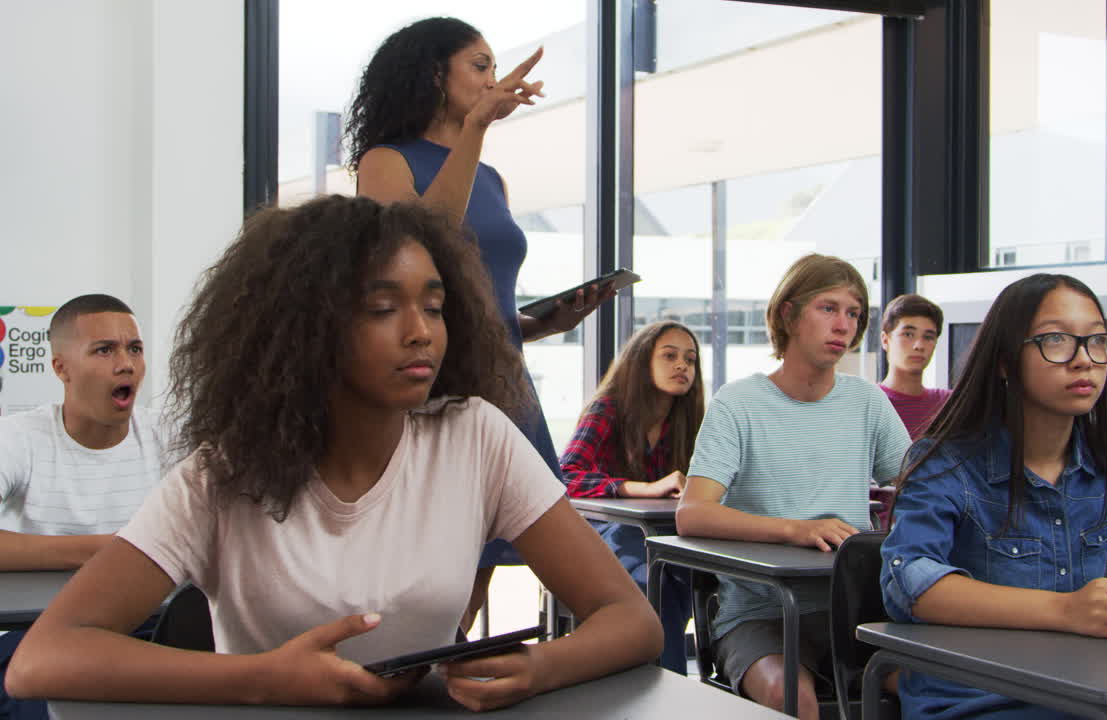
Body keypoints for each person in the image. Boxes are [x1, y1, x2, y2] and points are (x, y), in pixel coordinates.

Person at [6, 196, 661, 711]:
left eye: (434, 308)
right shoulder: (221, 477)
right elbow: (44, 659)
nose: (420, 333)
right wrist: (264, 679)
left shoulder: (475, 436)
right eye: (383, 308)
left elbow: (631, 620)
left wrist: (538, 668)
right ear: (305, 328)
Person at [880, 273, 1107, 720]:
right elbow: (910, 582)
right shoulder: (946, 463)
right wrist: (1064, 609)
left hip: (1087, 689)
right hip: (979, 698)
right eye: (1056, 340)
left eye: (1097, 341)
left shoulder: (1106, 467)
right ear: (1004, 360)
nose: (1084, 361)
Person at [348, 16, 614, 627]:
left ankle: (440, 662)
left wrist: (543, 322)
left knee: (491, 545)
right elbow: (422, 246)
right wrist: (474, 129)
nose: (494, 79)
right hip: (430, 374)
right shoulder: (385, 161)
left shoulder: (492, 177)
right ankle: (404, 664)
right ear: (433, 75)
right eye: (480, 65)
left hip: (503, 376)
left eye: (495, 66)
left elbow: (479, 290)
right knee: (435, 541)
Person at [676, 254, 910, 720]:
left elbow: (915, 484)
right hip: (760, 614)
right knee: (796, 702)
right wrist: (796, 530)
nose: (843, 324)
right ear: (788, 313)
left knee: (930, 688)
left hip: (851, 608)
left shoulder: (867, 401)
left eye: (854, 313)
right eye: (828, 308)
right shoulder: (737, 403)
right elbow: (693, 513)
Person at [0, 294, 170, 720]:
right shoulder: (18, 437)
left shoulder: (168, 433)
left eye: (134, 348)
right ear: (61, 368)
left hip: (147, 631)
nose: (126, 364)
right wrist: (115, 551)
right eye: (104, 349)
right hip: (38, 633)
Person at [560, 321, 705, 674]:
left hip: (662, 538)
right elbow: (564, 477)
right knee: (651, 566)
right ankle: (666, 683)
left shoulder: (690, 420)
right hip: (602, 533)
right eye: (669, 356)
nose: (682, 366)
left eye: (690, 359)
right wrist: (640, 487)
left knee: (683, 568)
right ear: (642, 361)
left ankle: (657, 683)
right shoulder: (609, 409)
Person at [879, 293, 951, 441]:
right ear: (885, 340)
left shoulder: (949, 404)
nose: (919, 345)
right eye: (908, 334)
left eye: (928, 337)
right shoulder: (870, 402)